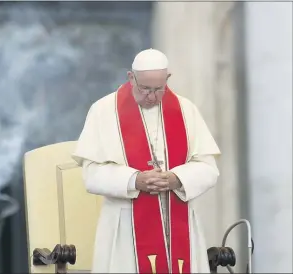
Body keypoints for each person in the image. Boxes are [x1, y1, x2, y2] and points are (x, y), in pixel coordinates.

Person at [72, 49, 221, 273]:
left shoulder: (186, 110)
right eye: (145, 89)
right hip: (125, 226)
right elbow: (91, 174)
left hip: (178, 222)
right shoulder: (104, 111)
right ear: (131, 78)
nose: (151, 96)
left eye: (158, 89)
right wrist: (134, 180)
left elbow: (208, 168)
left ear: (167, 80)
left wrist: (177, 178)